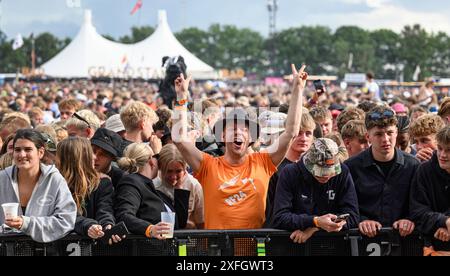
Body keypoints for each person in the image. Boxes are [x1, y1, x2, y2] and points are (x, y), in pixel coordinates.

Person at [172, 65, 307, 229]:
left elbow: (291, 132)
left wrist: (298, 90)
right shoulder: (208, 165)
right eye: (232, 129)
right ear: (222, 136)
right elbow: (179, 139)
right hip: (218, 248)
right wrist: (181, 97)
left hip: (254, 248)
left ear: (250, 138)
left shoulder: (263, 162)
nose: (239, 133)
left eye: (244, 129)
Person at [345, 106, 420, 238]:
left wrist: (409, 219)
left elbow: (420, 203)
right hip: (363, 240)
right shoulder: (351, 167)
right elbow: (345, 205)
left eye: (390, 133)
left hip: (404, 240)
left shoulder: (413, 166)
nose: (385, 139)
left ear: (396, 132)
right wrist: (362, 220)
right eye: (379, 134)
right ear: (368, 136)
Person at [272, 138, 360, 244]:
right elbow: (280, 217)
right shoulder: (290, 173)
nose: (326, 176)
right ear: (309, 163)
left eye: (331, 172)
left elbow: (352, 216)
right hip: (295, 243)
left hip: (333, 244)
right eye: (320, 172)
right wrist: (315, 221)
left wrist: (315, 228)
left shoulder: (343, 172)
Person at [0, 129, 76, 243]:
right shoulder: (2, 178)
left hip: (45, 250)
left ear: (40, 152)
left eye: (28, 149)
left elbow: (66, 221)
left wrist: (27, 224)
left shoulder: (54, 179)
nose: (22, 154)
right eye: (17, 150)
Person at [115, 143, 190, 239]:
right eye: (157, 158)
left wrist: (179, 186)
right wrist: (149, 229)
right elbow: (124, 216)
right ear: (151, 161)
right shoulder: (131, 183)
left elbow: (180, 223)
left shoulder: (153, 190)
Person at [56, 137, 121, 244]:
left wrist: (107, 225)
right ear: (78, 158)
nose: (95, 157)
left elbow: (105, 209)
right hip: (58, 247)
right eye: (90, 152)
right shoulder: (53, 184)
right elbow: (66, 215)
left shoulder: (102, 183)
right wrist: (88, 226)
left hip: (93, 247)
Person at [265, 110, 316, 226]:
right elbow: (269, 208)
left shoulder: (318, 167)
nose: (304, 138)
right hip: (279, 232)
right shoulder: (275, 167)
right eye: (299, 133)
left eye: (308, 133)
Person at [410, 126, 450, 242]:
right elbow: (417, 212)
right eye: (440, 148)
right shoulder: (424, 171)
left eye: (448, 150)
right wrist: (444, 221)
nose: (442, 155)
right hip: (431, 244)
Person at [154, 144, 204, 229]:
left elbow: (201, 222)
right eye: (169, 171)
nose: (173, 177)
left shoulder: (194, 185)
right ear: (161, 167)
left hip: (187, 238)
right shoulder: (153, 185)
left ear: (185, 168)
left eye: (178, 171)